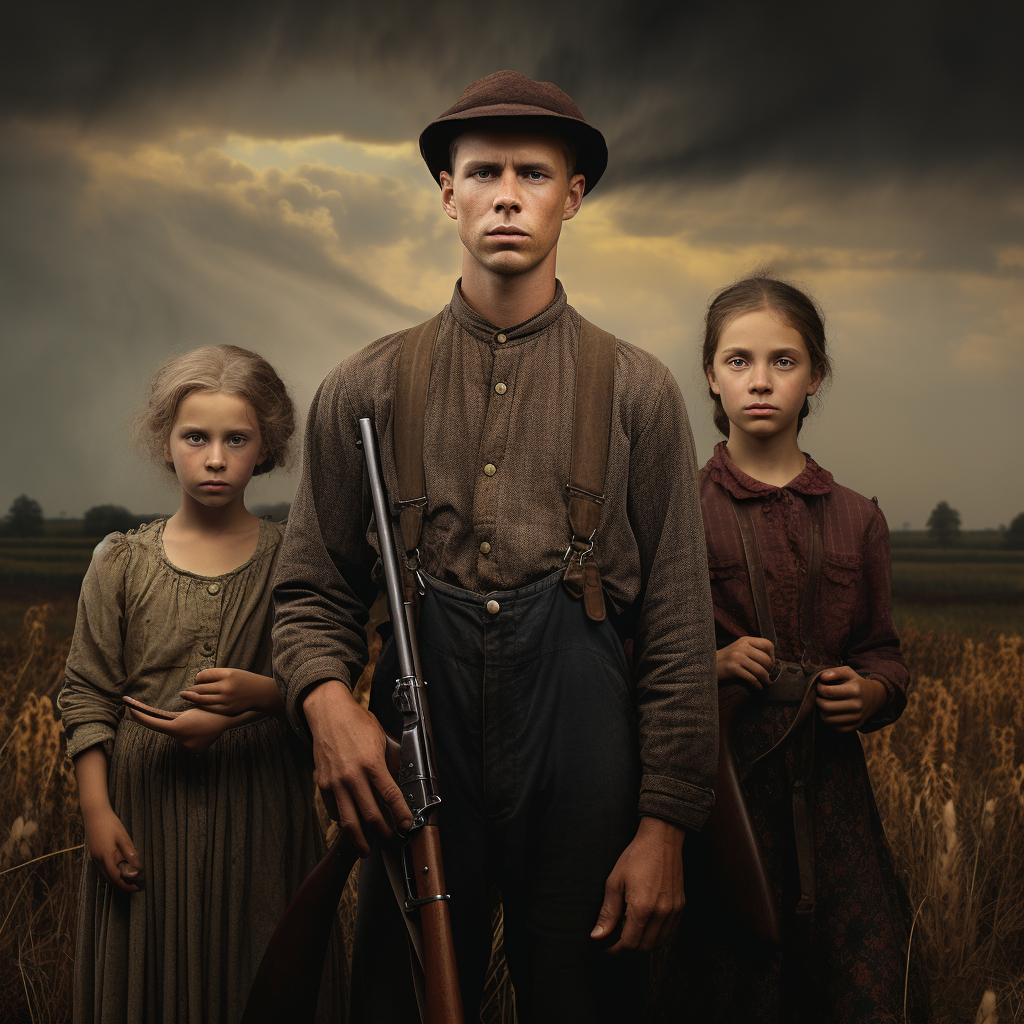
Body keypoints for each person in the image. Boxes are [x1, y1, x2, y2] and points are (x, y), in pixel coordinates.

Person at [271, 70, 718, 1023]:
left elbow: (680, 624)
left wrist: (666, 824)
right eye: (482, 172)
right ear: (447, 193)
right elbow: (309, 589)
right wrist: (328, 705)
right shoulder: (363, 388)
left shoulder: (640, 391)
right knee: (405, 1002)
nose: (506, 193)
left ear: (574, 195)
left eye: (533, 172)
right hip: (417, 755)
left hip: (587, 758)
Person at [649, 275, 929, 1022]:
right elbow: (627, 653)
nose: (761, 381)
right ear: (710, 373)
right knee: (727, 981)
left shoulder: (858, 519)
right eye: (738, 361)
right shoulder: (678, 509)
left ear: (815, 376)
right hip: (722, 795)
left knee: (854, 982)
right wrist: (706, 668)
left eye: (784, 361)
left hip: (834, 797)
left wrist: (870, 693)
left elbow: (884, 654)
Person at [58, 345, 342, 1024]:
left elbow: (330, 683)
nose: (215, 458)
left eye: (236, 439)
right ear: (166, 444)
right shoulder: (120, 563)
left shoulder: (294, 560)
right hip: (142, 811)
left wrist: (264, 697)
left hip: (260, 809)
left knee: (262, 973)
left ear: (266, 447)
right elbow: (86, 693)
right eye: (196, 437)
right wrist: (97, 812)